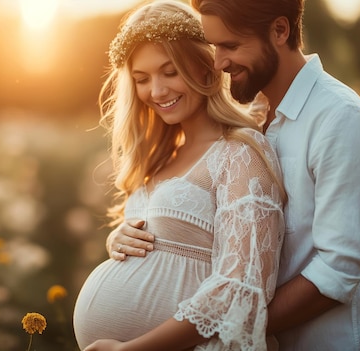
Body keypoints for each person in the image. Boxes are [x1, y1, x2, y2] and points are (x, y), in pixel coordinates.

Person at [107, 0, 360, 350]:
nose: (217, 63)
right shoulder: (254, 117)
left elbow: (337, 272)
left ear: (279, 31)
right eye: (214, 47)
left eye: (230, 46)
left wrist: (222, 324)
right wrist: (134, 235)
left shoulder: (339, 120)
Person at [72, 1, 286, 350]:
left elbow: (242, 285)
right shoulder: (157, 159)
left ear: (206, 67)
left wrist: (130, 350)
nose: (156, 91)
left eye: (170, 72)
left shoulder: (238, 153)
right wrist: (117, 241)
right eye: (142, 79)